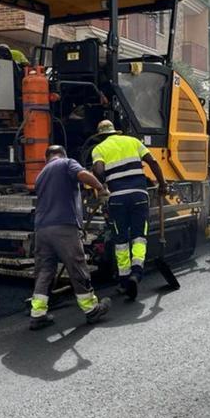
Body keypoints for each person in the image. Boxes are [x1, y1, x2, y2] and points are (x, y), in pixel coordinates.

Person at [29, 145, 111, 330]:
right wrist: (100, 188)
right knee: (77, 266)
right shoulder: (66, 163)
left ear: (46, 158)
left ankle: (38, 314)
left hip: (42, 229)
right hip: (63, 227)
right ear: (62, 155)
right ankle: (91, 310)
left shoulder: (41, 176)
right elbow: (82, 175)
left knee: (44, 270)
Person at [91, 120, 166, 300]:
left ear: (101, 135)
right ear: (116, 132)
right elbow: (153, 162)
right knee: (139, 236)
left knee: (121, 240)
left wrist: (103, 184)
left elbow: (98, 170)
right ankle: (137, 273)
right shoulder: (133, 141)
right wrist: (162, 184)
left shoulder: (99, 149)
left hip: (117, 199)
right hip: (139, 196)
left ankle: (124, 281)